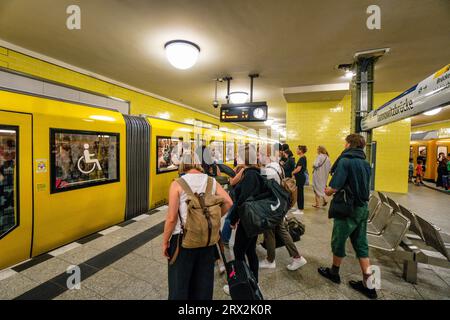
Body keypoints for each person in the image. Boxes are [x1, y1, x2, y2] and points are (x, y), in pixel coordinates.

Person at [163, 152, 233, 300]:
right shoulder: (211, 181)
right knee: (203, 286)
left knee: (179, 285)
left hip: (182, 241)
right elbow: (229, 202)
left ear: (183, 164)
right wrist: (212, 219)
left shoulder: (177, 184)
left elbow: (171, 218)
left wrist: (165, 241)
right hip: (208, 240)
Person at [318, 133, 377, 299]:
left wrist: (328, 191)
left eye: (345, 143)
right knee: (361, 244)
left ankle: (334, 273)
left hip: (347, 208)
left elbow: (334, 186)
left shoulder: (345, 161)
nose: (344, 146)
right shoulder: (365, 164)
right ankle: (369, 285)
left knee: (338, 239)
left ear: (350, 144)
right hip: (362, 208)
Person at [224, 144, 267, 295]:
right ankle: (254, 281)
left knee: (238, 250)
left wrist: (233, 219)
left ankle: (242, 284)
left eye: (238, 154)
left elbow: (243, 200)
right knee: (250, 250)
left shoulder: (249, 175)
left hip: (248, 220)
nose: (236, 157)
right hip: (255, 219)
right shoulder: (256, 172)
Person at [260, 143, 307, 271]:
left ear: (267, 155)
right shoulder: (277, 166)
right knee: (281, 230)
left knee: (269, 232)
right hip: (280, 204)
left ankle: (270, 260)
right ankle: (297, 257)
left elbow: (264, 190)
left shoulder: (268, 170)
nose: (259, 157)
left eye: (260, 154)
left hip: (272, 206)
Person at [292, 145, 307, 215]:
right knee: (299, 193)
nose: (296, 150)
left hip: (300, 178)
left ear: (300, 151)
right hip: (300, 178)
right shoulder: (302, 158)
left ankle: (300, 209)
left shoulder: (302, 158)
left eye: (297, 149)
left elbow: (298, 169)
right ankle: (299, 207)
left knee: (300, 193)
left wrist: (292, 172)